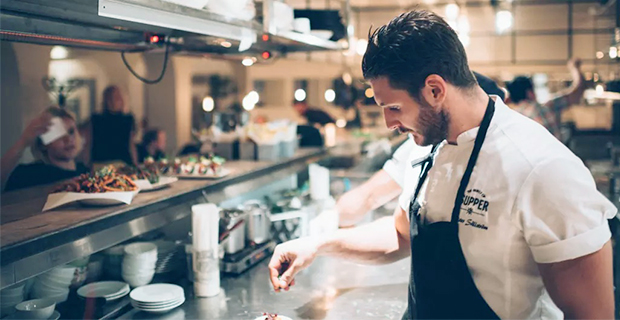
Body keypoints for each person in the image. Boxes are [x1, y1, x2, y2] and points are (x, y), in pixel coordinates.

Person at [269, 10, 615, 320]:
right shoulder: (424, 146)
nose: (390, 123)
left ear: (435, 90)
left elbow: (591, 313)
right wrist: (317, 244)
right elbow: (401, 235)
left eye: (393, 108)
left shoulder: (541, 169)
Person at [338, 72, 506, 227]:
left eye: (395, 107)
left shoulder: (510, 159)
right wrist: (329, 225)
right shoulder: (422, 143)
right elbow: (375, 198)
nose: (390, 124)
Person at [1, 107, 90, 192]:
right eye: (59, 134)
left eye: (71, 131)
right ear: (43, 144)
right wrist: (23, 142)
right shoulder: (28, 174)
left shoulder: (84, 171)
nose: (68, 139)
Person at [506, 59, 586, 140]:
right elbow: (577, 92)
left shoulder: (512, 117)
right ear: (530, 93)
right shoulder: (546, 107)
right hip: (555, 152)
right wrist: (574, 67)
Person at [86, 85, 138, 165]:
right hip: (101, 162)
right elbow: (89, 142)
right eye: (113, 97)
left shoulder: (128, 119)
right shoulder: (96, 119)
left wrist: (135, 163)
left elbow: (131, 144)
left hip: (122, 162)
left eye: (118, 97)